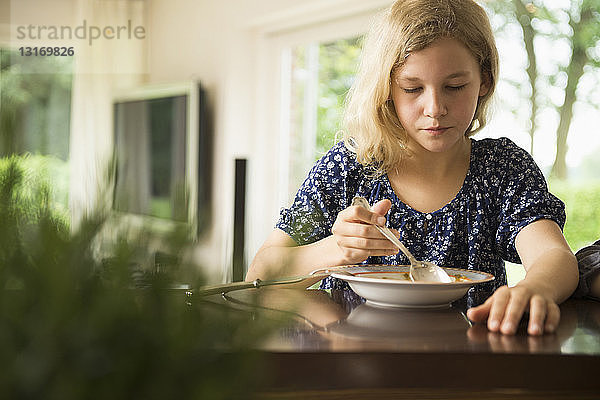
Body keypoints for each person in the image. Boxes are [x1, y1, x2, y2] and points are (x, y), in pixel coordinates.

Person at [246, 0, 578, 336]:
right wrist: (337, 248)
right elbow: (261, 272)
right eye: (412, 88)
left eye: (454, 86)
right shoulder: (349, 168)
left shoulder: (502, 168)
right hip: (360, 374)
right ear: (387, 89)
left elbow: (553, 254)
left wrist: (534, 288)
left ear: (485, 82)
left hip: (469, 371)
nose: (434, 108)